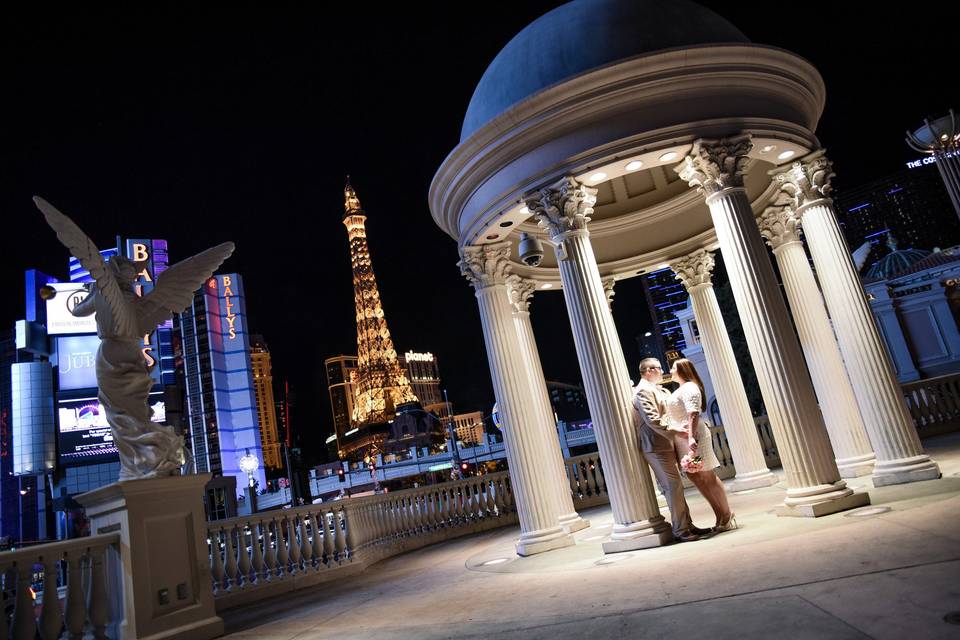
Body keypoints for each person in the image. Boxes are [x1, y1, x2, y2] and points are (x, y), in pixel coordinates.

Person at [632, 358, 708, 542]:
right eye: (659, 368)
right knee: (672, 486)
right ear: (649, 370)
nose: (663, 370)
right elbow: (652, 419)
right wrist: (676, 430)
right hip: (655, 446)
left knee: (676, 487)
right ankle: (681, 531)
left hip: (667, 444)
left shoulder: (659, 389)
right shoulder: (643, 391)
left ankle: (687, 526)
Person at [666, 358, 738, 534]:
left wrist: (691, 438)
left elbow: (693, 413)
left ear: (683, 369)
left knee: (707, 475)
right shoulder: (682, 388)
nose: (671, 369)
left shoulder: (690, 387)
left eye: (674, 367)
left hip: (693, 438)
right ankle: (720, 515)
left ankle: (727, 514)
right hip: (682, 439)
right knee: (695, 477)